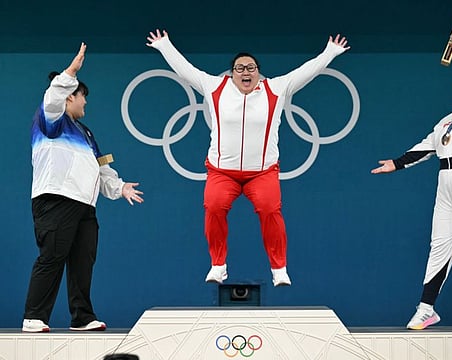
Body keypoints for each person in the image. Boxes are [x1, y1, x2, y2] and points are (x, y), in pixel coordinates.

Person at [146, 29, 350, 286]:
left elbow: (306, 71)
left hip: (262, 173)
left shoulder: (276, 89)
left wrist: (330, 52)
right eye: (240, 68)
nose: (246, 72)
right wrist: (164, 45)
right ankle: (218, 265)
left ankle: (279, 268)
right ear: (231, 74)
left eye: (251, 68)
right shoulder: (214, 87)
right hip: (222, 172)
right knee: (214, 206)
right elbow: (185, 69)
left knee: (270, 210)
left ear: (258, 72)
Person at [22, 43, 144, 333]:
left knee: (82, 262)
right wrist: (70, 73)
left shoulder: (86, 133)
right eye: (82, 98)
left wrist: (120, 187)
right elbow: (52, 98)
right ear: (68, 97)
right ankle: (34, 317)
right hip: (56, 200)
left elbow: (102, 168)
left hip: (84, 206)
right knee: (52, 257)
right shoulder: (50, 120)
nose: (85, 103)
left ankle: (82, 317)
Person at [371, 32, 452, 330]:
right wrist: (397, 163)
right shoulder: (450, 119)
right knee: (439, 246)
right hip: (446, 182)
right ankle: (426, 308)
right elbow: (427, 145)